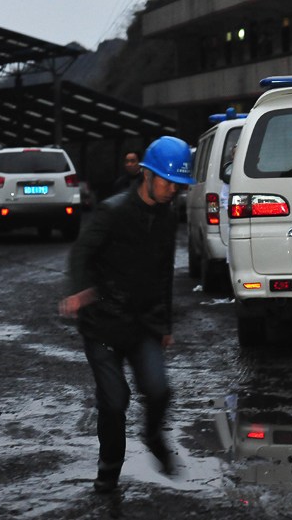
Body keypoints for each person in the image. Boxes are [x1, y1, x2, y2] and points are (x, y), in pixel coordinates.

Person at [59, 136, 195, 493]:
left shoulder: (167, 217)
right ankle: (109, 470)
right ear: (147, 175)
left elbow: (164, 271)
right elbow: (81, 253)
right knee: (114, 401)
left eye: (178, 185)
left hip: (143, 323)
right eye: (166, 181)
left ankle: (152, 437)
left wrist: (164, 324)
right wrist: (78, 290)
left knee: (159, 390)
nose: (171, 190)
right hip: (103, 323)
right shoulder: (113, 211)